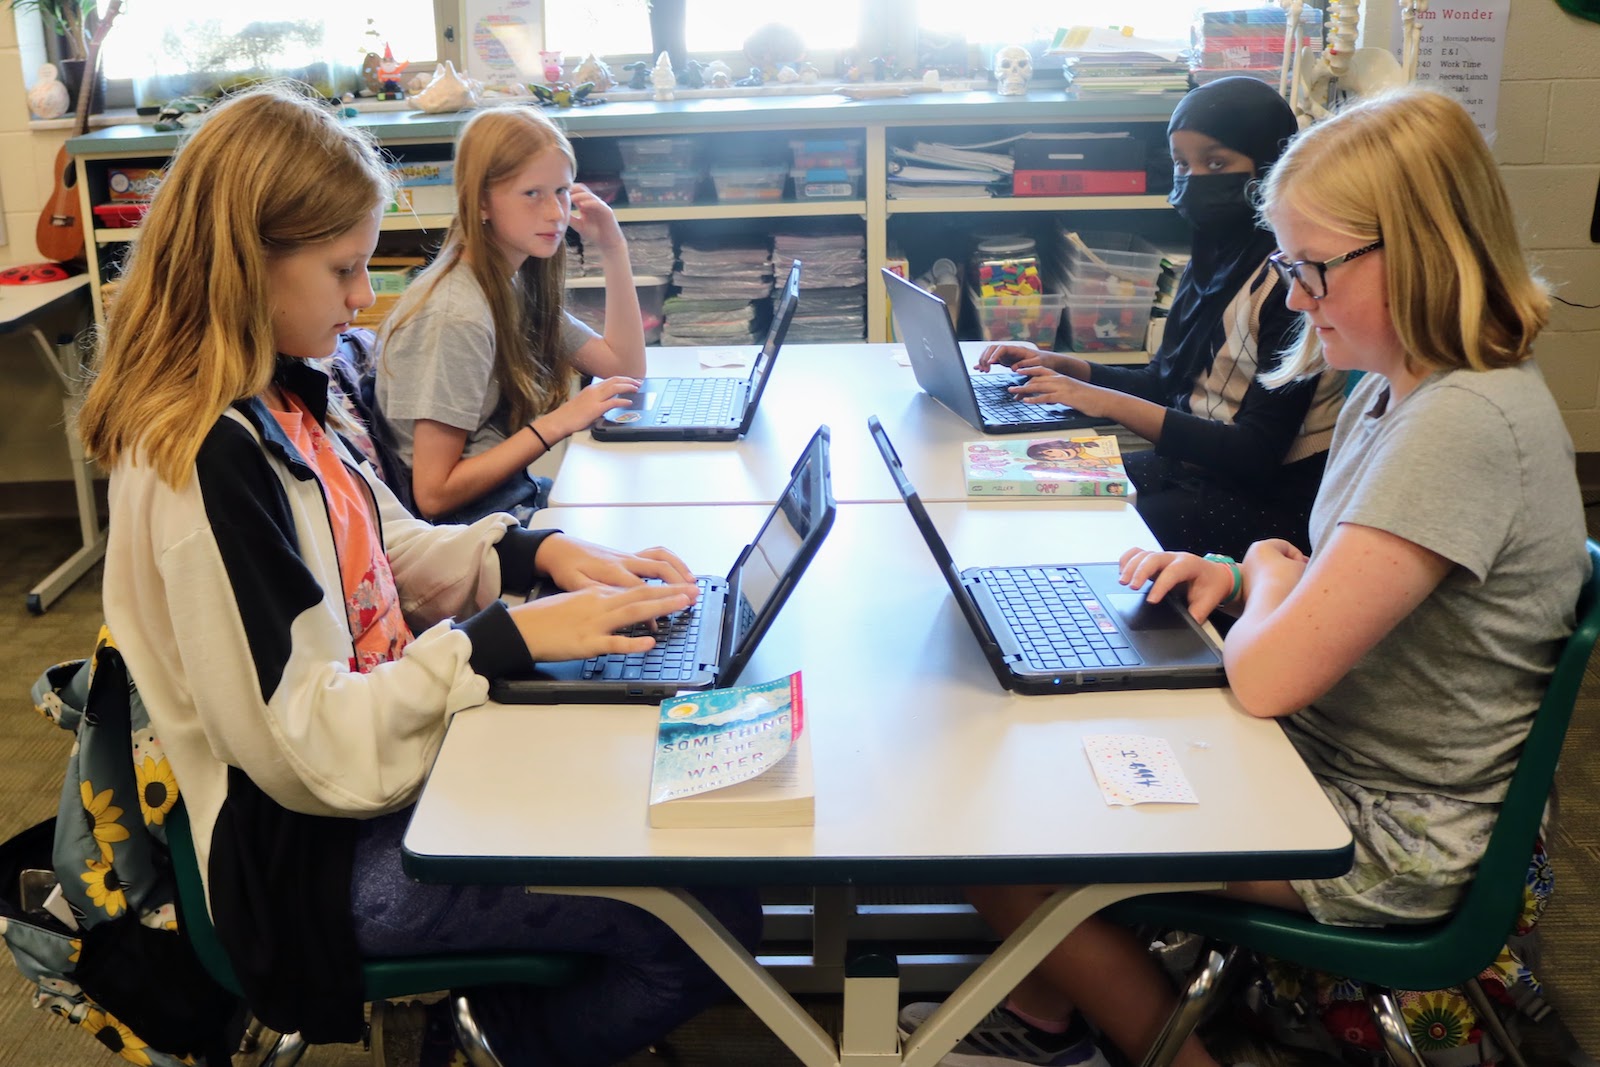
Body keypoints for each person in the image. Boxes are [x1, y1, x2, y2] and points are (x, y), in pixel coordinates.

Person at [900, 86, 1587, 1067]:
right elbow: (1345, 572)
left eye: (1311, 269)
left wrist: (1262, 572)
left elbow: (1268, 668)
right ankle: (1055, 1014)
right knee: (1047, 734)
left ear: (1422, 248)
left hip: (1388, 823)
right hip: (1339, 752)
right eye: (1283, 266)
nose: (1296, 298)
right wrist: (1233, 570)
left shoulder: (1461, 422)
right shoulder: (1398, 383)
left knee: (998, 828)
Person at [75, 84, 761, 1066]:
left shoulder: (287, 391)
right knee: (707, 914)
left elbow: (384, 549)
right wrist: (500, 642)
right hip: (313, 854)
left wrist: (531, 556)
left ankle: (485, 1018)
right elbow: (309, 749)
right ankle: (502, 1039)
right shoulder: (205, 466)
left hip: (388, 759)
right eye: (344, 268)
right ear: (248, 265)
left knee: (645, 789)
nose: (363, 299)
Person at [976, 77, 1346, 561]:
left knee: (1089, 533)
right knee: (1037, 485)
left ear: (1271, 168)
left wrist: (1100, 400)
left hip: (1269, 505)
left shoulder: (1295, 286)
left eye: (1216, 163)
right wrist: (1066, 367)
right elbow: (1166, 383)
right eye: (1181, 163)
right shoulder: (1213, 263)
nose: (1193, 178)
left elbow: (1255, 456)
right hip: (1196, 468)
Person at [377, 105, 647, 524]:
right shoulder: (456, 316)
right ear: (481, 200)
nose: (556, 213)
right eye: (532, 194)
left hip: (506, 503)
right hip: (467, 532)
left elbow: (623, 370)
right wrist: (558, 423)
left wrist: (613, 248)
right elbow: (432, 495)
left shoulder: (509, 282)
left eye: (561, 191)